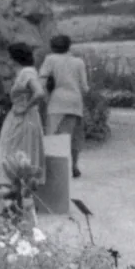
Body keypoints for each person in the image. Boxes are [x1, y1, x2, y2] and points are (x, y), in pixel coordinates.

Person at [0, 42, 47, 190]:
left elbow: (39, 92)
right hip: (28, 118)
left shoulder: (26, 73)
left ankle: (14, 193)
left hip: (22, 118)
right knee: (21, 153)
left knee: (11, 152)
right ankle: (19, 194)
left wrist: (25, 107)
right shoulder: (27, 71)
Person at [39, 34, 90, 177]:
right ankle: (74, 165)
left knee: (53, 135)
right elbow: (85, 87)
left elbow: (41, 80)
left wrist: (44, 96)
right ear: (69, 46)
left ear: (52, 47)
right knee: (74, 136)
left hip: (56, 101)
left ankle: (55, 168)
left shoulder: (50, 59)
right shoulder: (78, 62)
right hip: (75, 101)